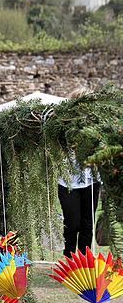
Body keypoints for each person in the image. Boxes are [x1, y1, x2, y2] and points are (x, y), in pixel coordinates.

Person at [58, 88, 100, 257]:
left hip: (92, 180)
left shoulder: (97, 124)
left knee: (87, 224)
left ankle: (84, 260)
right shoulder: (63, 124)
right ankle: (69, 257)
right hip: (68, 181)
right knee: (72, 223)